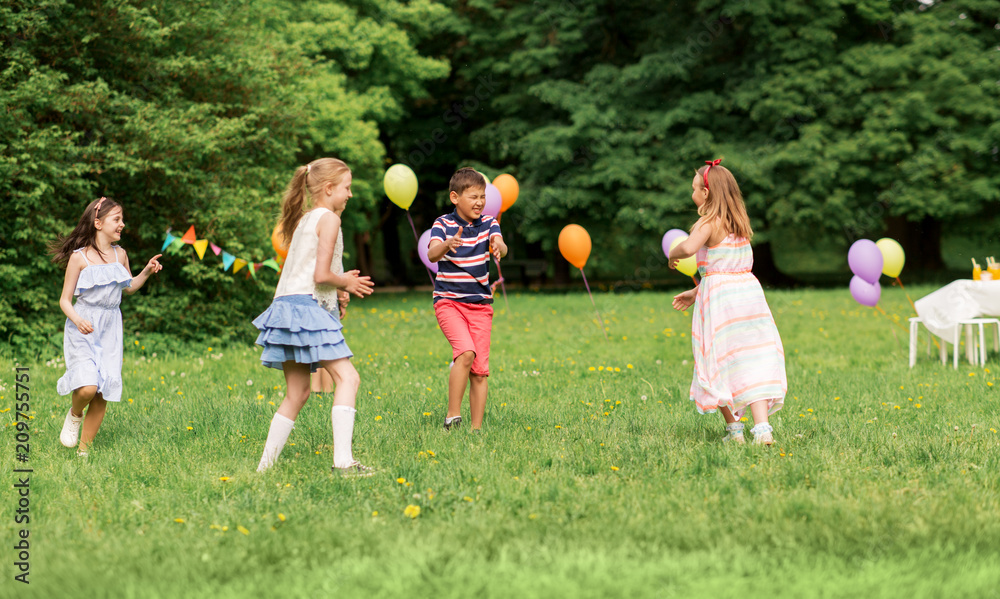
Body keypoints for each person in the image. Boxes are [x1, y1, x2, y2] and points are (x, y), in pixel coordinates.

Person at [252, 158, 374, 474]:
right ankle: (344, 463)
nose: (349, 195)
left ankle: (264, 469)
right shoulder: (330, 219)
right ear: (329, 188)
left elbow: (310, 271)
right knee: (349, 378)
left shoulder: (305, 219)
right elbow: (321, 275)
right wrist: (346, 281)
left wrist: (339, 293)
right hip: (306, 309)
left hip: (285, 308)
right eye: (346, 188)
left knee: (297, 393)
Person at [668, 159, 786, 445]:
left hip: (722, 305)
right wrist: (694, 293)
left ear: (706, 193)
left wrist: (674, 252)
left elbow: (691, 247)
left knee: (718, 361)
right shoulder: (739, 224)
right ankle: (762, 430)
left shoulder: (709, 223)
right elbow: (725, 268)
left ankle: (735, 432)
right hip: (749, 299)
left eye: (694, 188)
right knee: (751, 359)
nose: (692, 192)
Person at [52, 197, 163, 456]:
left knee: (102, 393)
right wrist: (78, 320)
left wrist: (146, 271)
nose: (122, 224)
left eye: (122, 219)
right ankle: (75, 413)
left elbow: (130, 286)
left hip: (111, 327)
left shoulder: (120, 254)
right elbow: (65, 300)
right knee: (88, 386)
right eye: (117, 219)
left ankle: (83, 452)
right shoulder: (80, 258)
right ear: (98, 223)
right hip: (84, 325)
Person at [427, 167, 507, 431]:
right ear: (455, 197)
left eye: (482, 196)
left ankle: (475, 430)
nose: (480, 202)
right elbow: (431, 254)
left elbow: (500, 243)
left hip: (480, 307)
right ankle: (452, 416)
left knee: (480, 371)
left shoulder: (489, 223)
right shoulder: (443, 224)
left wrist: (499, 247)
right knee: (465, 353)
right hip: (449, 302)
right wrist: (447, 244)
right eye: (473, 196)